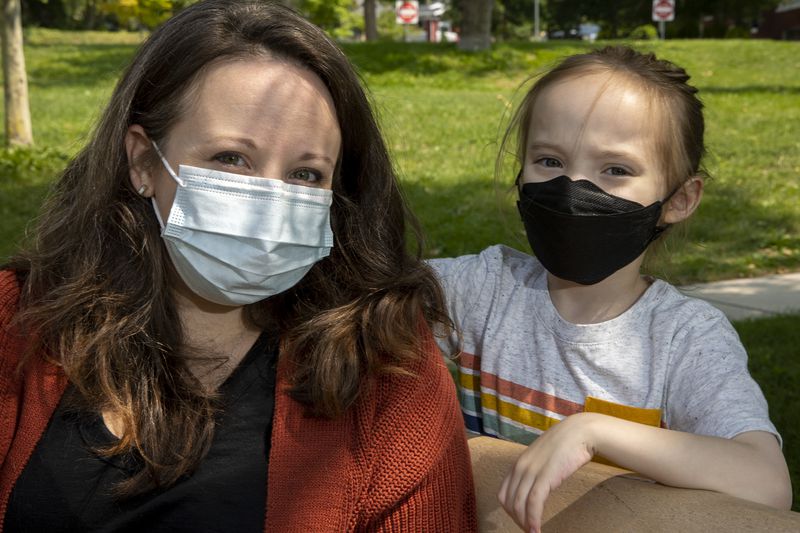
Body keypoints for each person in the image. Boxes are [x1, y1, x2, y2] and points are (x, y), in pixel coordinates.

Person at [0, 1, 476, 531]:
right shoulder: (14, 321)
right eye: (231, 159)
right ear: (141, 161)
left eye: (306, 174)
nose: (269, 197)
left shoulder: (384, 362)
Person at [430, 46, 791, 532]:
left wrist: (594, 432)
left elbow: (766, 482)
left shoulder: (684, 339)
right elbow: (357, 298)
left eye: (615, 170)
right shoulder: (481, 290)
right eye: (549, 160)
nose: (573, 185)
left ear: (679, 200)